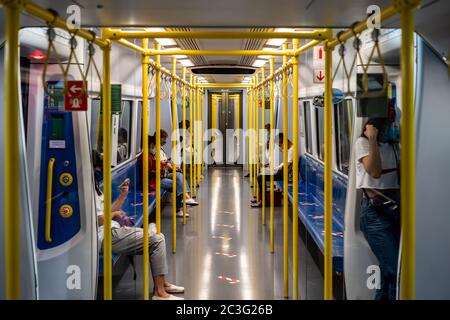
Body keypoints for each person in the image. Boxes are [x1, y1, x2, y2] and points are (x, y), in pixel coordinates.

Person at [92, 150, 184, 300]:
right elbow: (97, 220)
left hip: (112, 229)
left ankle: (162, 284)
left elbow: (104, 211)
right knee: (157, 240)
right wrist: (114, 215)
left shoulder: (94, 187)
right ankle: (159, 293)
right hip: (105, 236)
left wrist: (123, 195)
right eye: (99, 168)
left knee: (158, 236)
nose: (101, 171)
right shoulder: (86, 190)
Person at [355, 118, 401, 300]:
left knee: (390, 268)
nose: (393, 129)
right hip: (375, 215)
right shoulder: (363, 143)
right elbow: (374, 171)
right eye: (389, 126)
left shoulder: (393, 147)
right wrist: (372, 140)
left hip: (394, 210)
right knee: (391, 268)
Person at [251, 133, 293, 207]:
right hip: (280, 170)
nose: (281, 148)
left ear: (284, 142)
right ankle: (261, 198)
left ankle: (263, 201)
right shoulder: (289, 149)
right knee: (261, 173)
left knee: (260, 177)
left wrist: (280, 167)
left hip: (282, 173)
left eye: (280, 145)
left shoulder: (292, 150)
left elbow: (288, 164)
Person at [159, 129, 198, 206]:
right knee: (178, 184)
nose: (165, 141)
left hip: (164, 174)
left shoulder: (160, 148)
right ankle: (180, 205)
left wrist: (173, 166)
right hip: (158, 177)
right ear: (159, 138)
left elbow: (165, 161)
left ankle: (186, 197)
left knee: (180, 175)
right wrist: (172, 167)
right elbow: (163, 163)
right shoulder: (155, 150)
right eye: (164, 139)